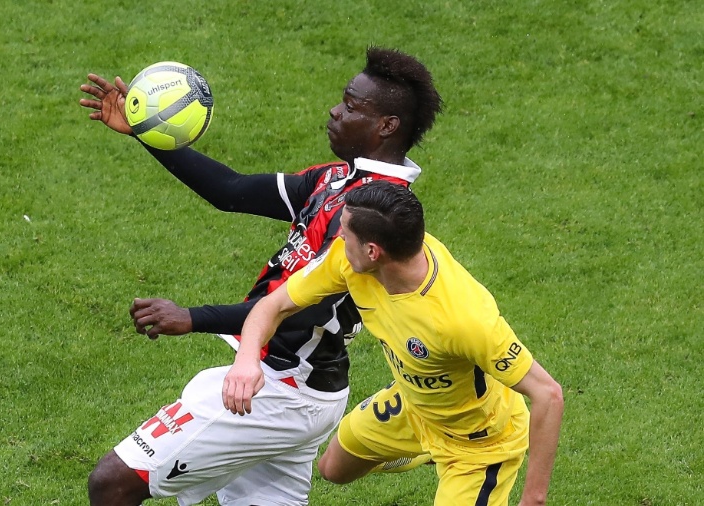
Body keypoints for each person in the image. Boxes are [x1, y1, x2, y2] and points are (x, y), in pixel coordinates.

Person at [79, 47, 442, 506]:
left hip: (279, 389)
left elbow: (299, 308)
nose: (335, 110)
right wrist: (148, 131)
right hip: (301, 388)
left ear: (387, 125)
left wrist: (192, 317)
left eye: (351, 106)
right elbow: (229, 190)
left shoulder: (374, 213)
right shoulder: (336, 180)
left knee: (112, 482)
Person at [223, 181, 564, 506]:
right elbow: (274, 305)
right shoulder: (349, 261)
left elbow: (548, 394)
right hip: (412, 402)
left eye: (345, 230)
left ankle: (445, 459)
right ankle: (422, 451)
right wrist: (247, 360)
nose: (338, 236)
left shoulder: (463, 319)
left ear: (373, 251)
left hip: (478, 443)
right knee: (332, 470)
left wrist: (533, 499)